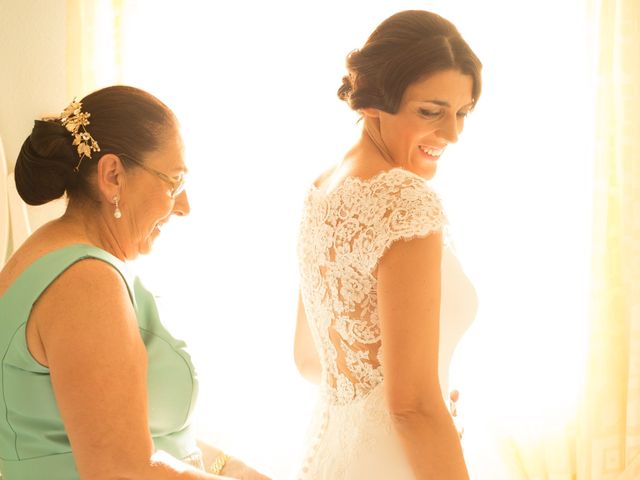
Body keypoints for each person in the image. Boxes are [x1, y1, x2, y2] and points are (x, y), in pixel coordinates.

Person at [0, 86, 270, 480]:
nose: (184, 206)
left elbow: (122, 437)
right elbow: (121, 471)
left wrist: (230, 467)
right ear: (113, 176)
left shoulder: (52, 254)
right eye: (173, 182)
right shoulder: (86, 283)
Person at [293, 10, 482, 479]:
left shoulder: (323, 190)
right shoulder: (403, 202)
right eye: (430, 112)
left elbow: (309, 358)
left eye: (461, 113)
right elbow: (412, 407)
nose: (453, 134)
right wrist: (423, 418)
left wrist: (418, 413)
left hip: (334, 456)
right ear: (372, 101)